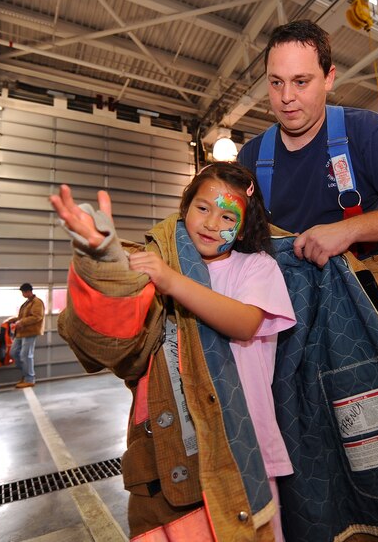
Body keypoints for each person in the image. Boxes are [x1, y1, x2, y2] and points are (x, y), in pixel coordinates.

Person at [49, 163, 296, 540]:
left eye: (227, 215)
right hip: (177, 447)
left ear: (243, 228)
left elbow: (245, 323)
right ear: (185, 207)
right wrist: (101, 255)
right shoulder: (161, 261)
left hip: (246, 446)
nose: (212, 223)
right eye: (202, 208)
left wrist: (171, 281)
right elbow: (117, 331)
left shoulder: (256, 267)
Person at [237, 19, 378, 379]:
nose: (286, 97)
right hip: (288, 316)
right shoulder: (252, 157)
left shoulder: (364, 130)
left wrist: (348, 231)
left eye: (301, 82)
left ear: (329, 78)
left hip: (368, 306)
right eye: (276, 82)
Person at [6, 282, 44, 388]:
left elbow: (37, 316)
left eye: (23, 292)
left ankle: (29, 379)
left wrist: (21, 322)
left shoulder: (37, 302)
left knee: (26, 355)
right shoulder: (26, 303)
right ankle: (25, 374)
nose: (22, 294)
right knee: (13, 353)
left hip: (30, 332)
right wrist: (13, 320)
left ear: (28, 291)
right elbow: (22, 316)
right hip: (21, 333)